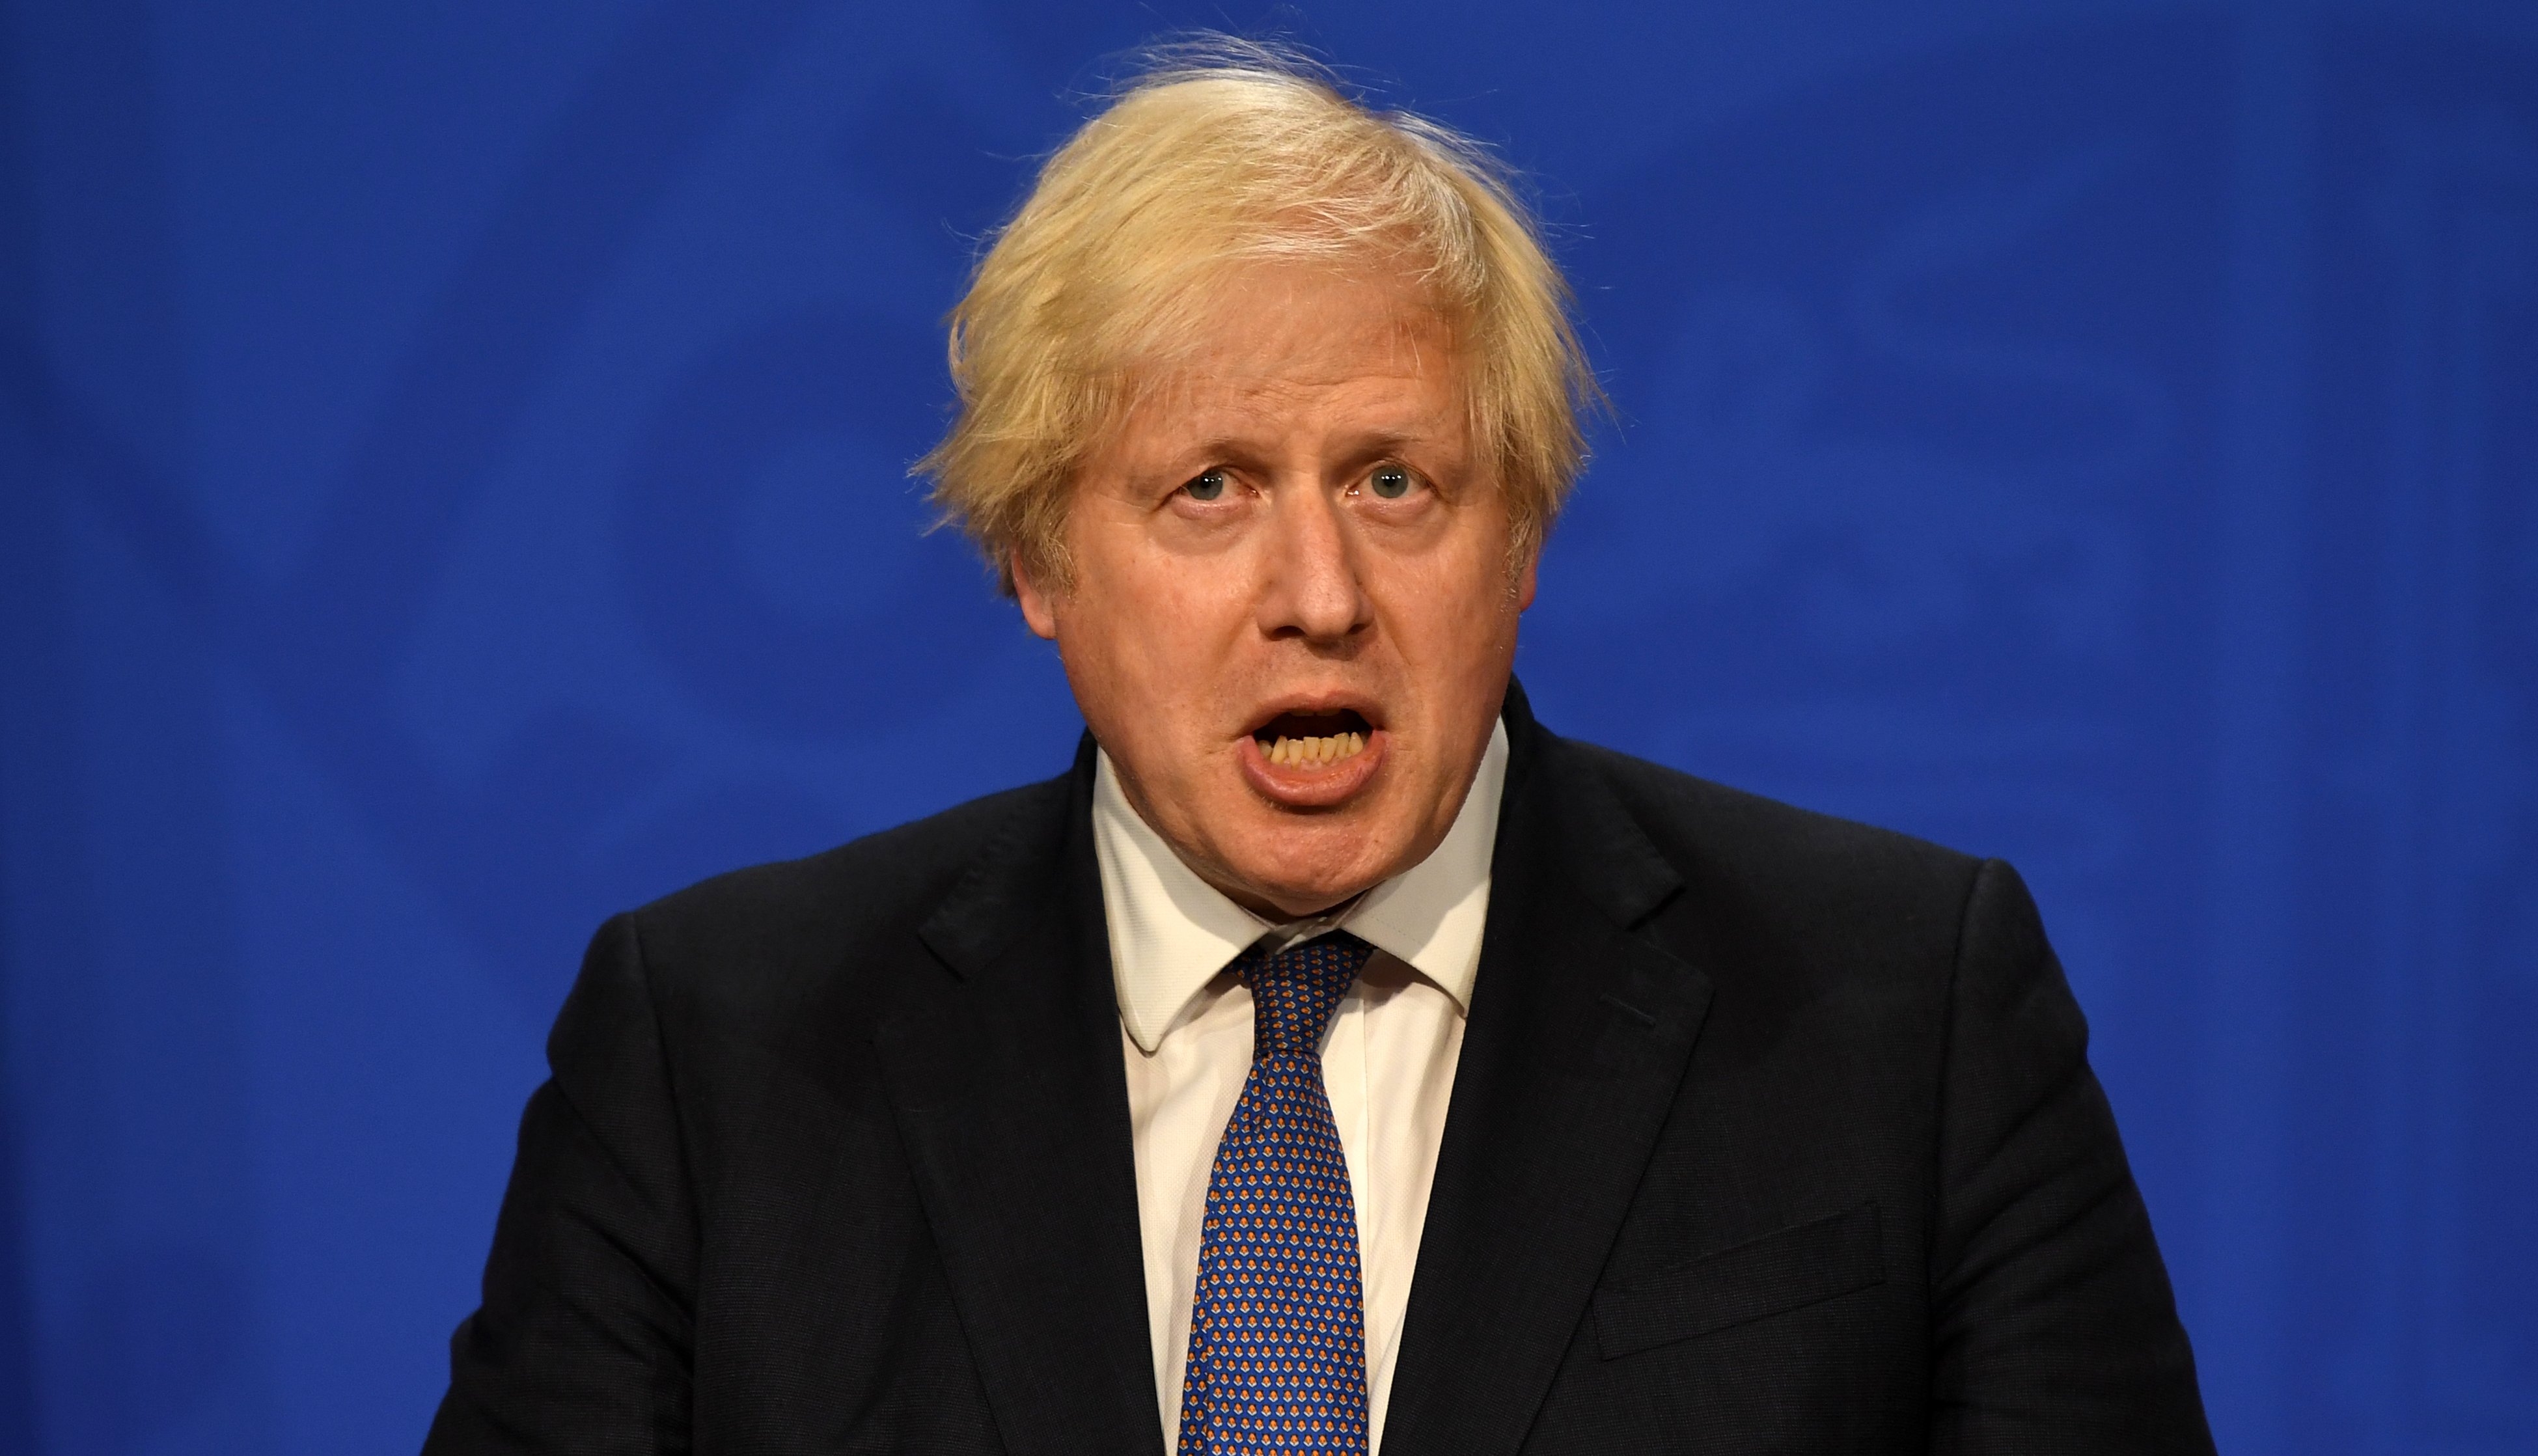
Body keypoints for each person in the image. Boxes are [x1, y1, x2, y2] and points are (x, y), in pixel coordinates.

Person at [423, 39, 2213, 1456]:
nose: (1319, 593)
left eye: (1392, 481)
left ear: (1518, 534)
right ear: (1038, 557)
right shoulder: (716, 1053)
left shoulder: (1902, 1009)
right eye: (1209, 487)